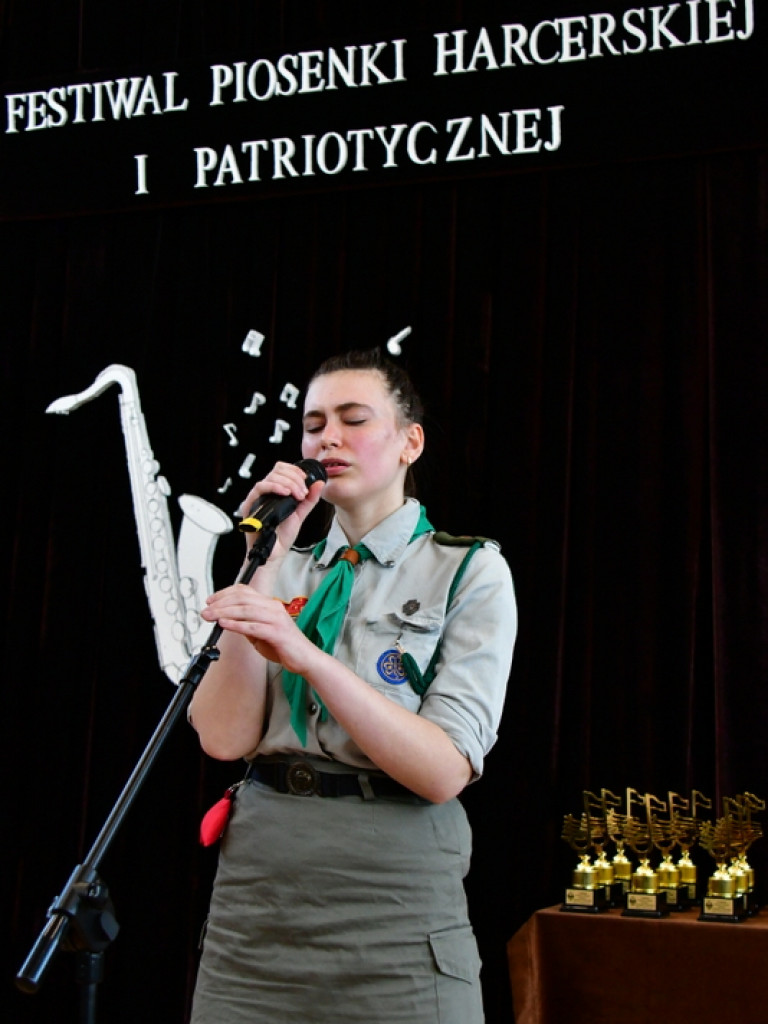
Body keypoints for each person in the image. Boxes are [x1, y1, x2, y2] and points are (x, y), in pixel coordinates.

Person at [188, 347, 516, 1024]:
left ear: (409, 442)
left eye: (352, 418)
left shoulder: (466, 570)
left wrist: (306, 656)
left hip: (392, 891)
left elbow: (442, 770)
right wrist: (267, 561)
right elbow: (223, 738)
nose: (325, 438)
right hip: (261, 895)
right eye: (312, 425)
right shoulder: (282, 567)